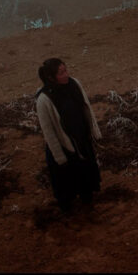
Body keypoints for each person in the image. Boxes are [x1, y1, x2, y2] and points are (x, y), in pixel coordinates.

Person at [35, 58, 103, 213]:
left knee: (86, 173)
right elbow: (48, 132)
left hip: (81, 139)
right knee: (65, 181)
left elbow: (86, 108)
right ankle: (67, 208)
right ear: (51, 77)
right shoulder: (44, 99)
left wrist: (94, 132)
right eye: (61, 73)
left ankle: (87, 199)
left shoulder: (74, 84)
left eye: (66, 70)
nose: (66, 74)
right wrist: (59, 157)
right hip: (63, 146)